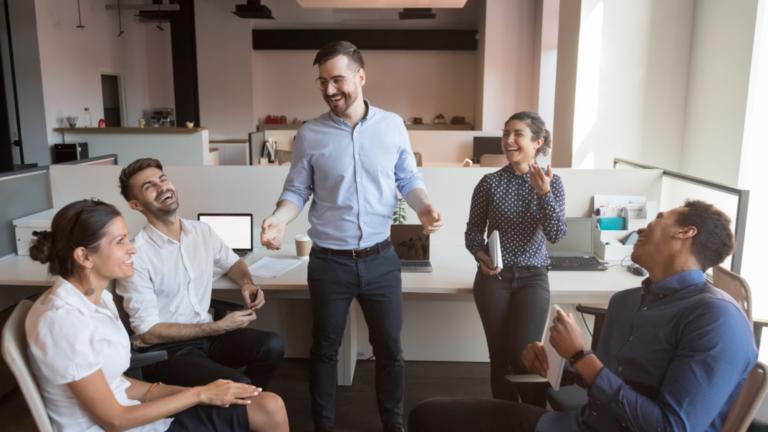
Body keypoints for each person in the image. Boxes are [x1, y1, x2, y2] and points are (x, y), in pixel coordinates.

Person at [410, 200, 757, 431]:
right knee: (428, 415)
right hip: (576, 424)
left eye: (658, 219)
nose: (642, 228)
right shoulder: (627, 301)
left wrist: (582, 356)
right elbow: (606, 381)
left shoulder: (715, 319)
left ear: (686, 233)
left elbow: (671, 427)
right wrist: (560, 363)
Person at [260, 40, 443, 432]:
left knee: (391, 351)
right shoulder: (310, 133)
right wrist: (279, 218)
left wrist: (423, 206)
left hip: (381, 259)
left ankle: (393, 425)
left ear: (360, 76)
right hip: (329, 262)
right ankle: (323, 426)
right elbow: (297, 190)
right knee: (324, 351)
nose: (329, 90)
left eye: (337, 79)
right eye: (322, 82)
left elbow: (408, 178)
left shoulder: (392, 125)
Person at [26, 199, 288, 432]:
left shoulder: (97, 299)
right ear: (84, 256)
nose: (132, 249)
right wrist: (199, 394)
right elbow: (114, 421)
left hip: (137, 413)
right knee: (269, 409)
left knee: (264, 404)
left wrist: (198, 394)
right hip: (122, 423)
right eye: (120, 242)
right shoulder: (63, 322)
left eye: (127, 238)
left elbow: (116, 383)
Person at [116, 158, 284, 388]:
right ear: (135, 205)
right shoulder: (137, 256)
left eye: (163, 179)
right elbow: (147, 333)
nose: (162, 187)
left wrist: (247, 284)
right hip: (167, 350)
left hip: (207, 337)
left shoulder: (201, 231)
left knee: (271, 345)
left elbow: (233, 263)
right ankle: (240, 402)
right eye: (149, 186)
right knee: (238, 385)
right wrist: (217, 327)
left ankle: (241, 408)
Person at [465, 111, 566, 406]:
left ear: (537, 142)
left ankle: (535, 418)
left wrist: (544, 194)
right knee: (499, 355)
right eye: (505, 133)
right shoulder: (489, 183)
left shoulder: (552, 183)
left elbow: (556, 234)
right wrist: (482, 257)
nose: (508, 140)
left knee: (527, 355)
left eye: (517, 134)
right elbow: (472, 235)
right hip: (494, 278)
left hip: (533, 277)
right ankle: (504, 417)